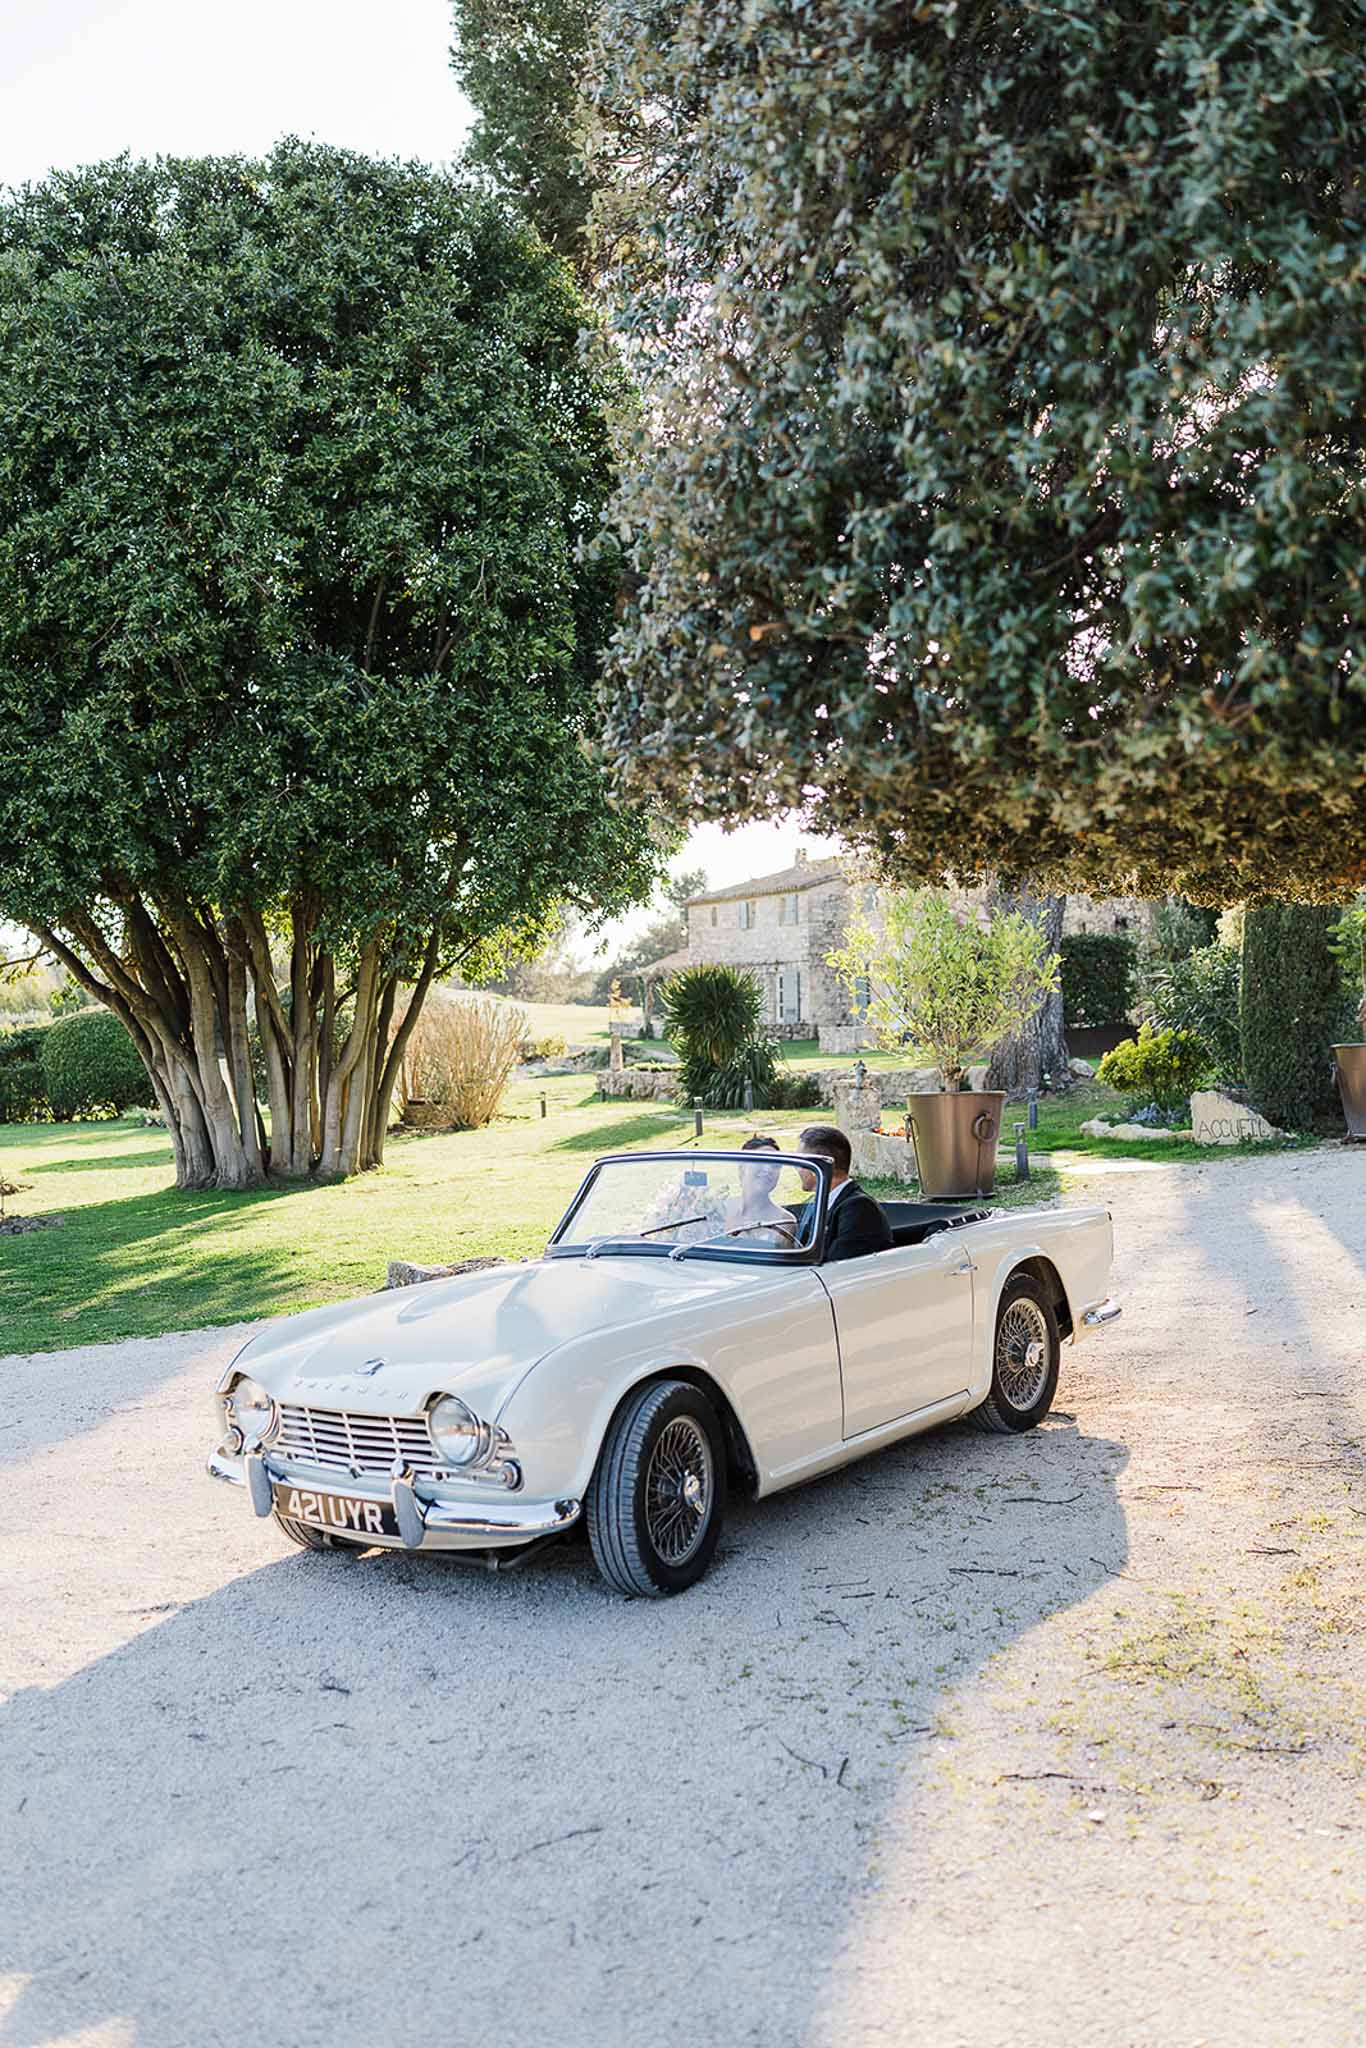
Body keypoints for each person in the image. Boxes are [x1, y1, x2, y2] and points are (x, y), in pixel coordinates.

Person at [795, 1124, 892, 1262]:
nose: (796, 1168)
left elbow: (838, 1264)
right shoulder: (816, 1203)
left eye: (800, 1162)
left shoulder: (859, 1208)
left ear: (816, 1168)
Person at [719, 1133, 799, 1247]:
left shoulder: (785, 1221)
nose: (768, 1169)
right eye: (761, 1161)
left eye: (775, 1166)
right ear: (742, 1168)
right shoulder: (720, 1209)